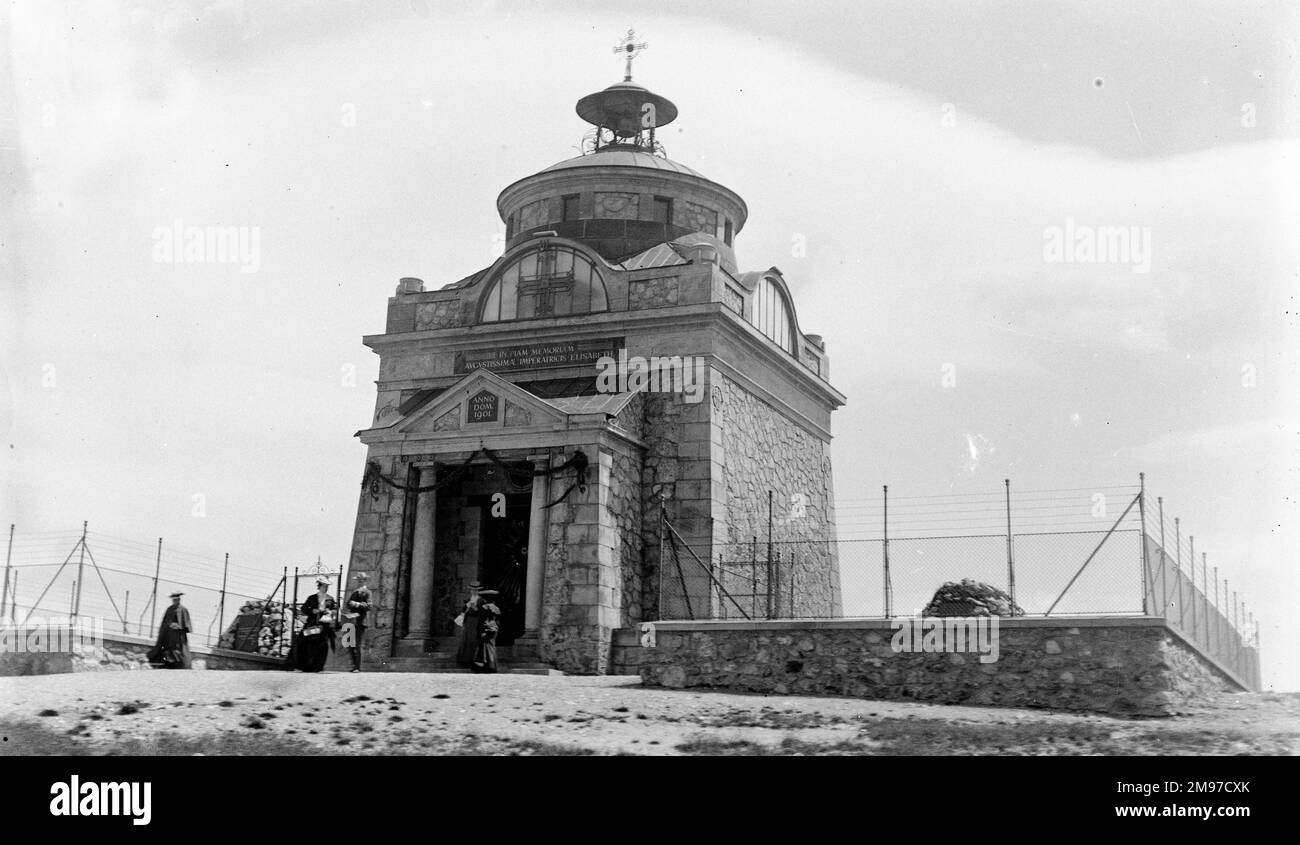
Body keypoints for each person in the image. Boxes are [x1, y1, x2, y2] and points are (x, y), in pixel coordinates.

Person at [295, 578, 337, 672]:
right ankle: (303, 666)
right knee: (305, 642)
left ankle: (318, 667)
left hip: (324, 625)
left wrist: (330, 612)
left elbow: (334, 610)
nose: (326, 588)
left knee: (322, 645)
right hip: (312, 624)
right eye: (324, 586)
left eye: (327, 587)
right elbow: (304, 609)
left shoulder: (330, 599)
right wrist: (313, 611)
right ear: (319, 586)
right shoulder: (312, 598)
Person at [149, 592, 192, 669]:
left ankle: (181, 665)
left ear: (179, 600)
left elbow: (186, 624)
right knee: (167, 649)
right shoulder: (169, 609)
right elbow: (165, 622)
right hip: (169, 635)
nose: (174, 601)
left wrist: (178, 626)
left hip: (178, 636)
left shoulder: (183, 609)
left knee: (179, 650)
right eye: (173, 600)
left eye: (176, 600)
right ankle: (169, 664)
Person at [343, 572, 372, 673]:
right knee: (350, 643)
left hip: (361, 621)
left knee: (357, 644)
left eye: (360, 580)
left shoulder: (367, 592)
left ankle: (357, 667)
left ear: (364, 580)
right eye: (358, 580)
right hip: (352, 620)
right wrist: (353, 604)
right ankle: (353, 665)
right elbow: (348, 604)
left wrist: (356, 604)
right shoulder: (354, 592)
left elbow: (369, 606)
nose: (359, 582)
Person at [472, 588, 502, 674]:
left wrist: (482, 631)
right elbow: (497, 621)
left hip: (486, 629)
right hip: (493, 629)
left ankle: (485, 666)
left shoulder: (485, 607)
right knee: (491, 646)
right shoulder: (496, 608)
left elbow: (482, 620)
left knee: (484, 647)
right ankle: (491, 665)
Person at [454, 582, 482, 668]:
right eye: (472, 589)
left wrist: (474, 607)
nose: (473, 591)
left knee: (472, 640)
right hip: (468, 622)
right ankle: (463, 661)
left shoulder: (480, 600)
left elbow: (480, 612)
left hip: (475, 622)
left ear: (478, 590)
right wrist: (466, 607)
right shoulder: (469, 599)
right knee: (465, 640)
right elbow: (463, 610)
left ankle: (471, 660)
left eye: (475, 590)